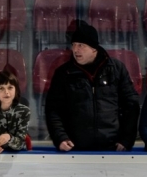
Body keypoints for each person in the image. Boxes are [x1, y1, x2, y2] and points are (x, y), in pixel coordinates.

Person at [44, 22, 140, 152]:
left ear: (94, 48)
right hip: (75, 148)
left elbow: (131, 106)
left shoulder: (117, 69)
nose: (75, 50)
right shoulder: (64, 73)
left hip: (113, 148)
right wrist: (60, 137)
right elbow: (53, 109)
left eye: (81, 45)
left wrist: (126, 140)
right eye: (73, 45)